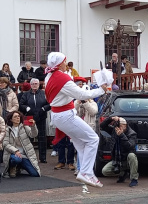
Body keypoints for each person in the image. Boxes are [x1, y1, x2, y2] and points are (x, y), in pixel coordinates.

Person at [45, 52, 109, 187]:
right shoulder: (61, 78)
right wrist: (101, 90)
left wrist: (71, 78)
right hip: (65, 115)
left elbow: (65, 87)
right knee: (93, 139)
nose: (66, 63)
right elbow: (81, 94)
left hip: (59, 115)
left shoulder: (49, 76)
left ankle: (85, 171)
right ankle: (86, 172)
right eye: (64, 61)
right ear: (59, 64)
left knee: (80, 143)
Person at [99, 117, 139, 187]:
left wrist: (122, 135)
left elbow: (130, 146)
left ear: (125, 125)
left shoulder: (132, 134)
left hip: (127, 159)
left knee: (132, 156)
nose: (118, 128)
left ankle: (134, 179)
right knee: (105, 171)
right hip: (117, 160)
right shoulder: (114, 131)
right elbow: (102, 126)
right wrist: (111, 119)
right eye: (117, 126)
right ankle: (123, 173)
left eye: (121, 126)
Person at [19, 78, 50, 163]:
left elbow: (49, 103)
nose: (34, 85)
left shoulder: (44, 93)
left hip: (41, 117)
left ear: (39, 84)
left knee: (42, 138)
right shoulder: (26, 94)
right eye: (32, 84)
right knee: (29, 138)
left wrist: (44, 108)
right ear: (30, 85)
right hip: (29, 117)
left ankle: (43, 158)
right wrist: (26, 108)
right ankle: (29, 157)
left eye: (36, 83)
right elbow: (21, 104)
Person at [2, 111, 41, 178]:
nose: (18, 118)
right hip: (13, 154)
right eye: (15, 117)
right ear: (11, 119)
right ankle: (13, 167)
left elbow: (33, 135)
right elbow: (5, 144)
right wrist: (15, 151)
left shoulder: (24, 126)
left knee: (35, 174)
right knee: (16, 159)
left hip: (24, 155)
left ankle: (19, 167)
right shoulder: (7, 129)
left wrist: (33, 126)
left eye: (18, 116)